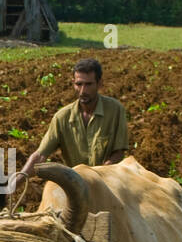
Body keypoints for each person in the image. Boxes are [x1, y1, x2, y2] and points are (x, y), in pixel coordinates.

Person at [10, 57, 127, 194]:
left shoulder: (115, 110)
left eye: (88, 84)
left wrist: (97, 175)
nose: (83, 90)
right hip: (76, 187)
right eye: (79, 84)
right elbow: (40, 155)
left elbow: (119, 152)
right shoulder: (62, 117)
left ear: (99, 84)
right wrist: (15, 183)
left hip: (107, 183)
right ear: (73, 83)